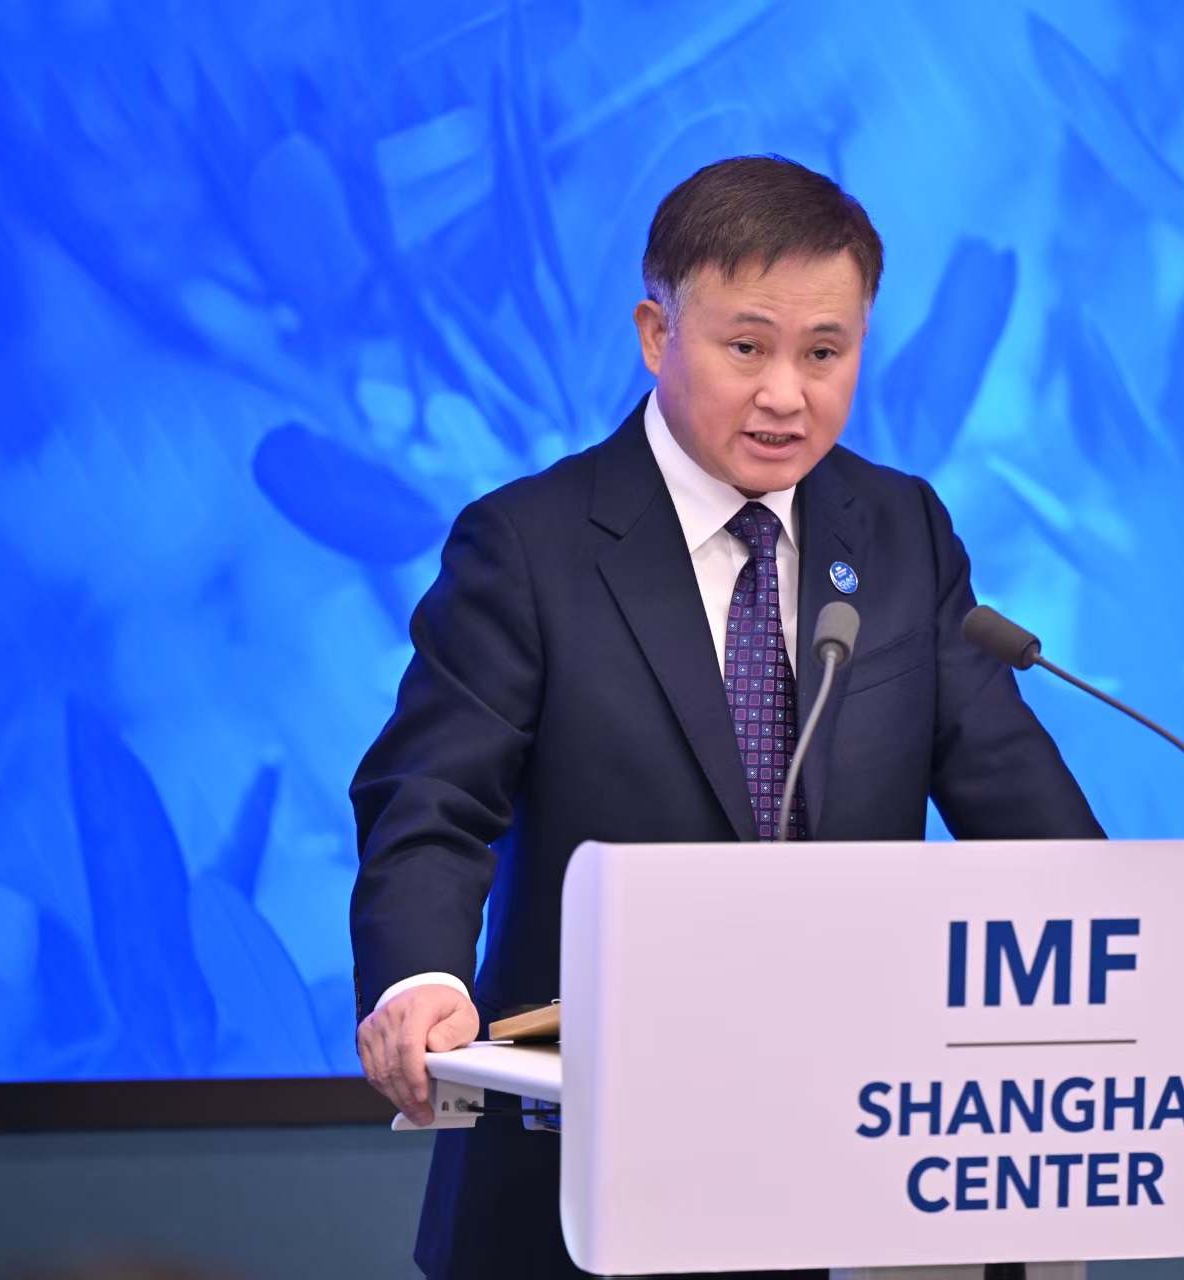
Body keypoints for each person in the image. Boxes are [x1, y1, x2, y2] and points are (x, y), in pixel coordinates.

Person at [349, 155, 1102, 1279]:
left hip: (857, 1170)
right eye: (747, 348)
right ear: (658, 334)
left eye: (824, 353)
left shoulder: (901, 532)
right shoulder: (530, 545)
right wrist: (419, 980)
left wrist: (1129, 955)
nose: (787, 394)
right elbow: (430, 801)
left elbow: (1023, 809)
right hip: (585, 1177)